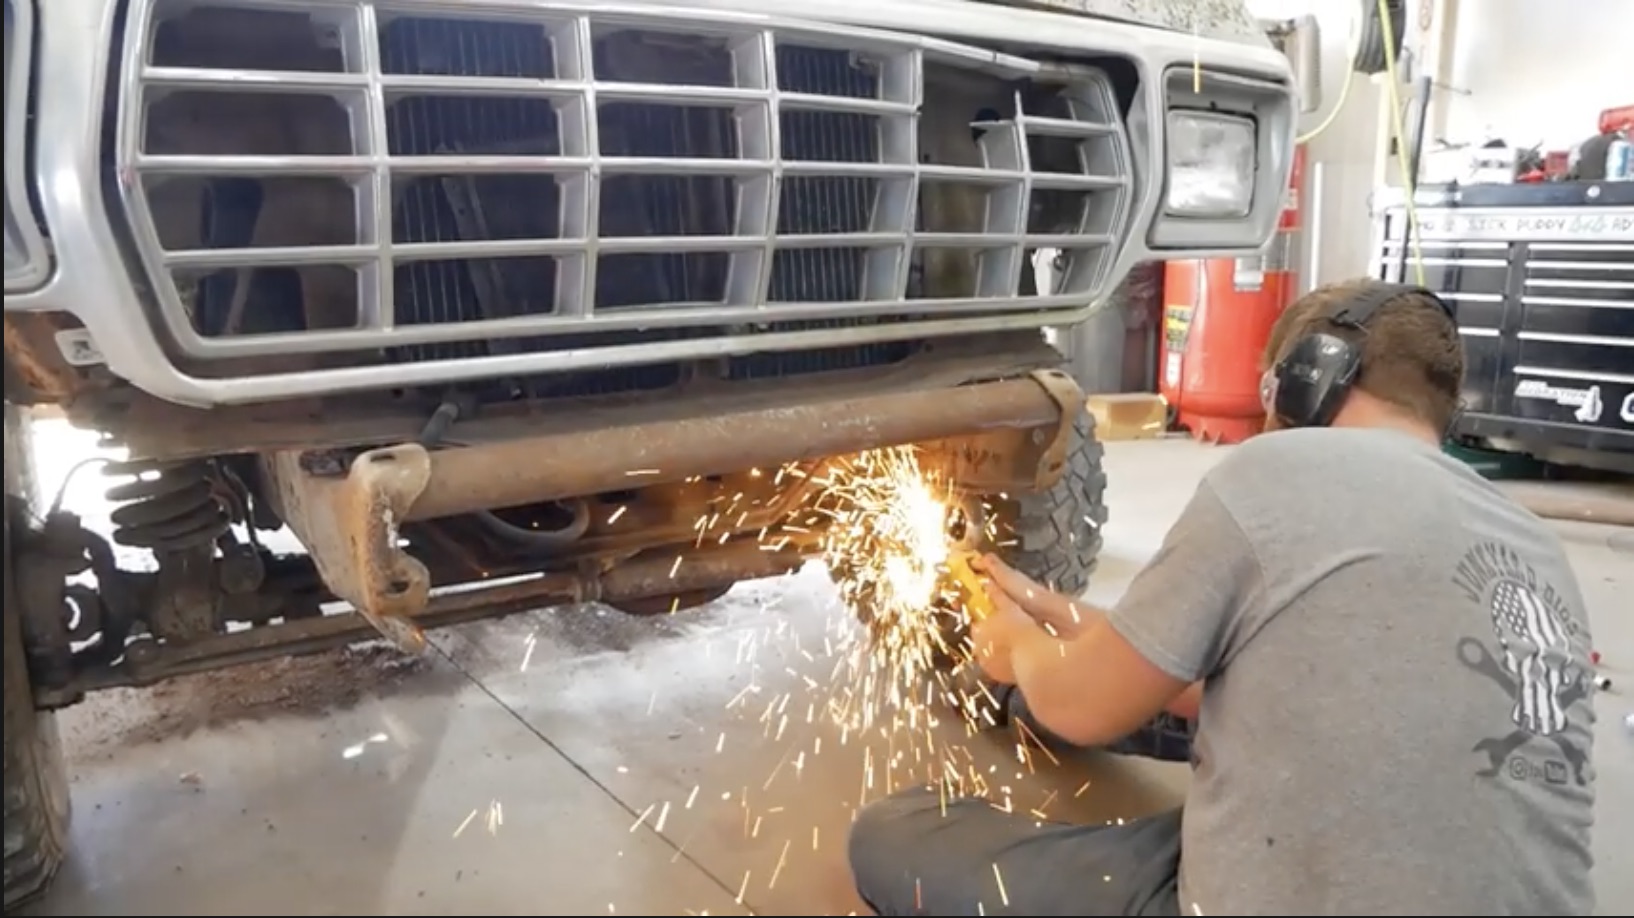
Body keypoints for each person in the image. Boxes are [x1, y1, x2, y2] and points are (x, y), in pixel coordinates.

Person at [846, 279, 1597, 916]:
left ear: (1305, 379)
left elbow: (1081, 706)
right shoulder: (1532, 541)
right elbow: (1313, 681)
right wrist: (1062, 618)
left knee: (894, 833)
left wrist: (1017, 647)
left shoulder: (1275, 471)